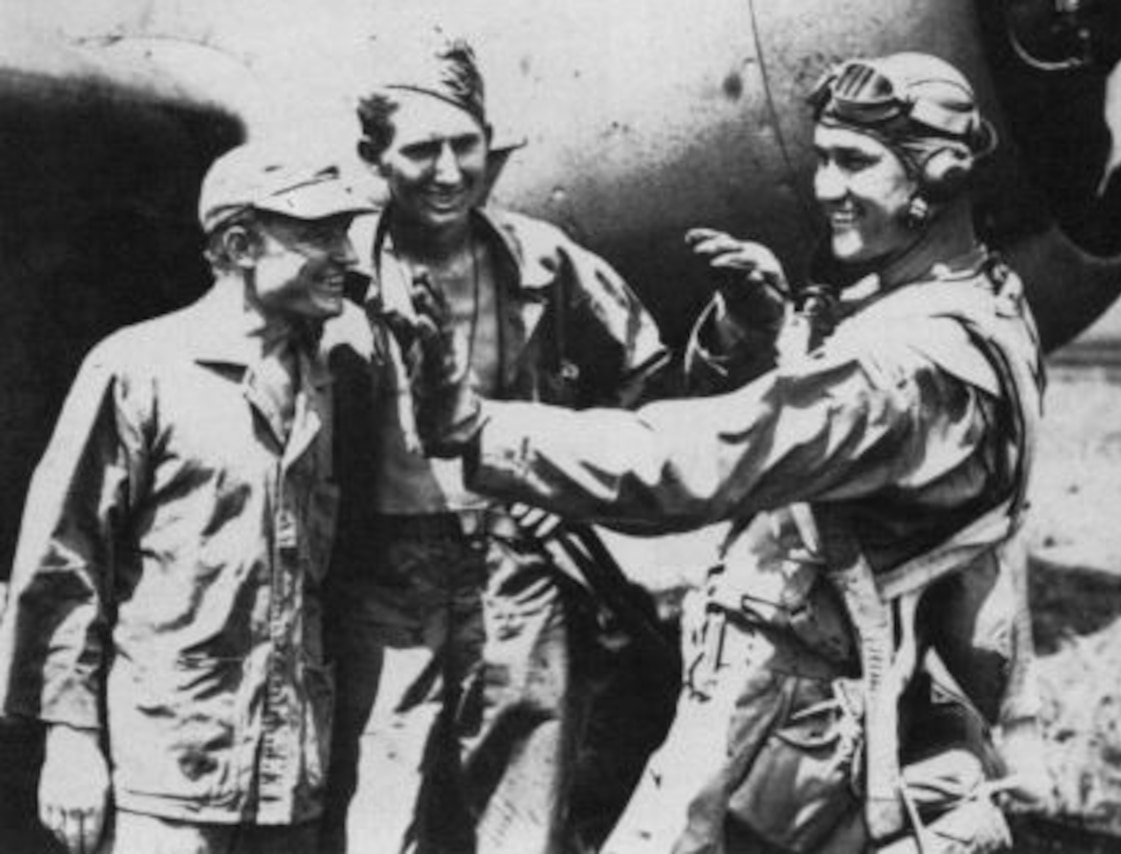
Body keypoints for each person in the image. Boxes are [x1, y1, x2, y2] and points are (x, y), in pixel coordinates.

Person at [399, 51, 1046, 854]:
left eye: (855, 163)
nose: (824, 188)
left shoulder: (904, 372)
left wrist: (481, 427)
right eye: (822, 161)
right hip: (834, 707)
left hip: (783, 716)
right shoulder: (980, 304)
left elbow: (705, 454)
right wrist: (774, 331)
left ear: (937, 180)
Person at [321, 34, 744, 854]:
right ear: (376, 159)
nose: (448, 171)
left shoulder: (545, 261)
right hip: (382, 576)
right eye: (420, 150)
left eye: (465, 145)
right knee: (379, 816)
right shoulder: (336, 275)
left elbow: (651, 399)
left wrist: (732, 331)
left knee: (523, 821)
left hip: (519, 570)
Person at [0, 140, 373, 854]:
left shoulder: (331, 380)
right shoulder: (139, 368)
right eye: (317, 233)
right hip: (167, 774)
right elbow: (65, 561)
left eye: (345, 232)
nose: (345, 254)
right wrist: (70, 741)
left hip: (290, 777)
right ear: (238, 244)